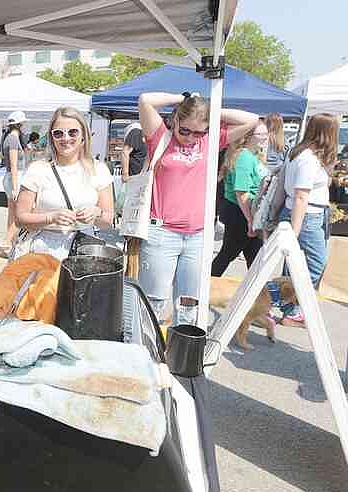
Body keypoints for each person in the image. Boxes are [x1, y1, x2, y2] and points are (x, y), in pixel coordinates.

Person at [137, 92, 259, 325]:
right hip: (162, 233)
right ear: (175, 122)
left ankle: (181, 355)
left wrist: (209, 110)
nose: (191, 137)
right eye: (185, 130)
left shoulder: (210, 141)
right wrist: (182, 99)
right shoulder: (160, 137)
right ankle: (148, 354)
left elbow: (251, 120)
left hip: (198, 236)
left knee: (189, 304)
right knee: (154, 303)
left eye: (199, 131)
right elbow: (145, 100)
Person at [13, 107, 114, 261]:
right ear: (52, 137)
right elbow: (20, 218)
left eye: (73, 132)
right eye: (58, 133)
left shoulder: (99, 169)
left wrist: (96, 213)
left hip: (83, 250)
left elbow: (107, 220)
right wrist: (51, 217)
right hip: (42, 251)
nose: (65, 138)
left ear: (83, 136)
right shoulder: (38, 169)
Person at [277, 113, 339, 327]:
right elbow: (301, 196)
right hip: (306, 216)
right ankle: (289, 307)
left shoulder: (302, 155)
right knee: (315, 264)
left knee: (294, 266)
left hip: (306, 214)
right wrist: (295, 230)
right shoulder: (308, 159)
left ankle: (282, 306)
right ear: (328, 133)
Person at [211, 122, 269, 276]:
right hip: (240, 213)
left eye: (266, 133)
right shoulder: (243, 157)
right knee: (228, 253)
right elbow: (241, 192)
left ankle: (256, 292)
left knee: (254, 257)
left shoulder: (252, 155)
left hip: (246, 211)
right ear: (248, 137)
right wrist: (250, 220)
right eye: (261, 134)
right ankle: (206, 285)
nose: (265, 137)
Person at [1, 111, 28, 252]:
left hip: (12, 177)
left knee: (13, 213)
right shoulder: (12, 139)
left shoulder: (11, 138)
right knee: (17, 213)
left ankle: (9, 243)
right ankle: (7, 243)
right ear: (19, 124)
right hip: (14, 178)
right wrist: (16, 186)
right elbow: (13, 165)